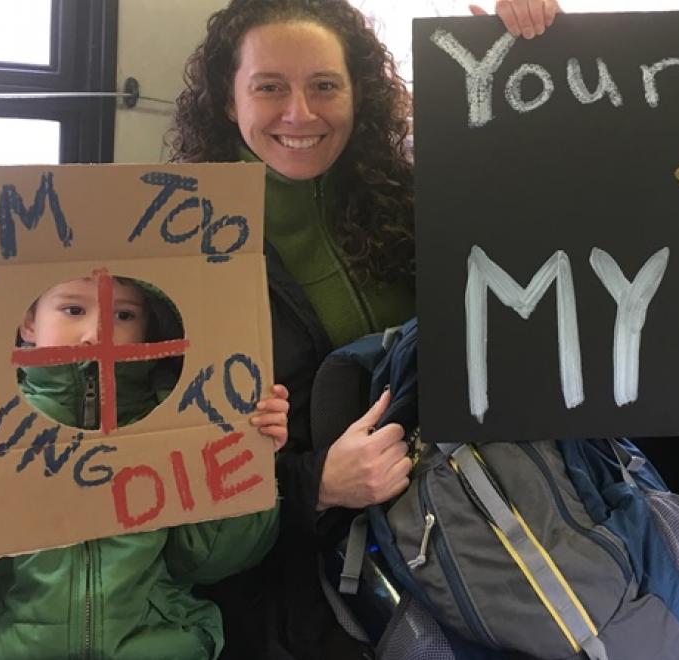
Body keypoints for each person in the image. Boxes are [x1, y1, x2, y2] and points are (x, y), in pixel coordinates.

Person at [168, 0, 560, 657]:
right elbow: (169, 471)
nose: (300, 114)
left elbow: (538, 219)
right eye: (270, 87)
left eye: (325, 85)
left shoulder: (408, 197)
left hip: (468, 524)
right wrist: (315, 483)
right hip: (296, 579)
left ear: (359, 92)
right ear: (226, 99)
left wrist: (519, 52)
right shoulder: (176, 245)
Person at [0, 275, 290, 660]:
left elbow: (215, 560)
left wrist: (245, 458)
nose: (97, 334)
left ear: (147, 330)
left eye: (124, 315)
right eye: (73, 310)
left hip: (156, 645)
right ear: (28, 323)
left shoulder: (182, 417)